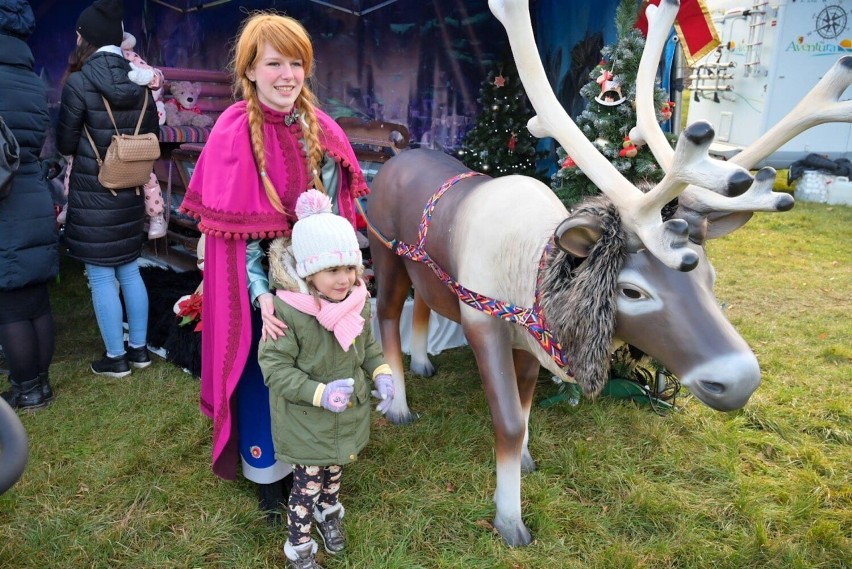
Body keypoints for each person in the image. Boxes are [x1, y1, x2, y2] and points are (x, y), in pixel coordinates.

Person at [178, 11, 370, 523]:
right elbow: (235, 233)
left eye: (296, 63)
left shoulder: (321, 130)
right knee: (264, 375)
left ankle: (314, 460)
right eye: (274, 63)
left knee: (316, 367)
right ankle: (267, 473)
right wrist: (263, 295)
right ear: (250, 71)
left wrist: (336, 284)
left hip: (315, 279)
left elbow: (335, 220)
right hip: (256, 286)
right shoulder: (231, 132)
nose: (287, 74)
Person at [258, 190, 394, 568]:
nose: (346, 278)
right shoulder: (287, 311)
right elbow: (275, 369)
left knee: (335, 469)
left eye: (350, 267)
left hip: (345, 413)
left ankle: (329, 514)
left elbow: (367, 347)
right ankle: (299, 550)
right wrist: (319, 393)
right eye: (333, 270)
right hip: (306, 419)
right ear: (308, 271)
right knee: (307, 484)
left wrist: (382, 373)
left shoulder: (356, 301)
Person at [56, 0, 159, 378]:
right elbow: (154, 138)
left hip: (94, 190)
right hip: (131, 189)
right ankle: (141, 350)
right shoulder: (142, 80)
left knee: (101, 276)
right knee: (130, 270)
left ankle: (115, 358)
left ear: (87, 38)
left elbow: (66, 143)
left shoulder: (79, 82)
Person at [0, 0, 60, 410]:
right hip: (33, 192)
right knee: (35, 299)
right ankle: (39, 382)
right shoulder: (33, 82)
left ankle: (28, 389)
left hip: (4, 200)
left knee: (10, 305)